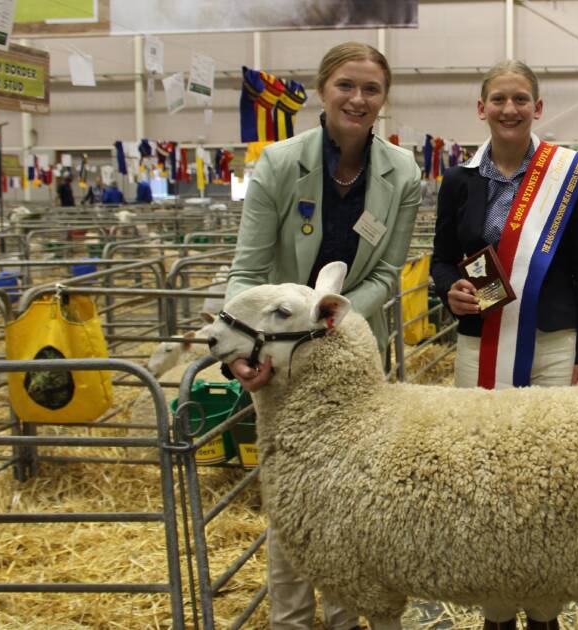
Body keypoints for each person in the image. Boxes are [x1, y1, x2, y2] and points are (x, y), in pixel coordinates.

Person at [224, 41, 422, 630]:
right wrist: (245, 348)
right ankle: (289, 619)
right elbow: (247, 268)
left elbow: (388, 273)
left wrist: (332, 320)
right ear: (322, 89)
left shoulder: (402, 171)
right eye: (346, 86)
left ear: (383, 99)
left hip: (349, 354)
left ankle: (344, 616)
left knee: (352, 497)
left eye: (371, 89)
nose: (358, 99)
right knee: (294, 501)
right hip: (278, 357)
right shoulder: (280, 163)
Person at [432, 60, 578, 402]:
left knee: (553, 446)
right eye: (498, 100)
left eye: (521, 99)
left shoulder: (566, 176)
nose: (509, 109)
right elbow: (442, 259)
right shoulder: (457, 180)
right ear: (482, 109)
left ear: (537, 108)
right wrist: (449, 287)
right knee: (479, 439)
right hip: (481, 339)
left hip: (554, 343)